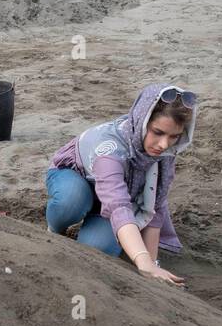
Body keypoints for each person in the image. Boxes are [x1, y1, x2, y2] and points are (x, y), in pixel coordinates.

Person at [45, 83, 197, 286]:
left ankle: (93, 221)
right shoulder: (110, 149)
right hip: (77, 178)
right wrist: (141, 261)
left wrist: (151, 263)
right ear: (142, 121)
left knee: (99, 248)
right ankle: (54, 231)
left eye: (173, 136)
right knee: (72, 200)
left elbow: (154, 208)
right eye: (158, 132)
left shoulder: (164, 156)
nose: (164, 144)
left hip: (111, 199)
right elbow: (118, 205)